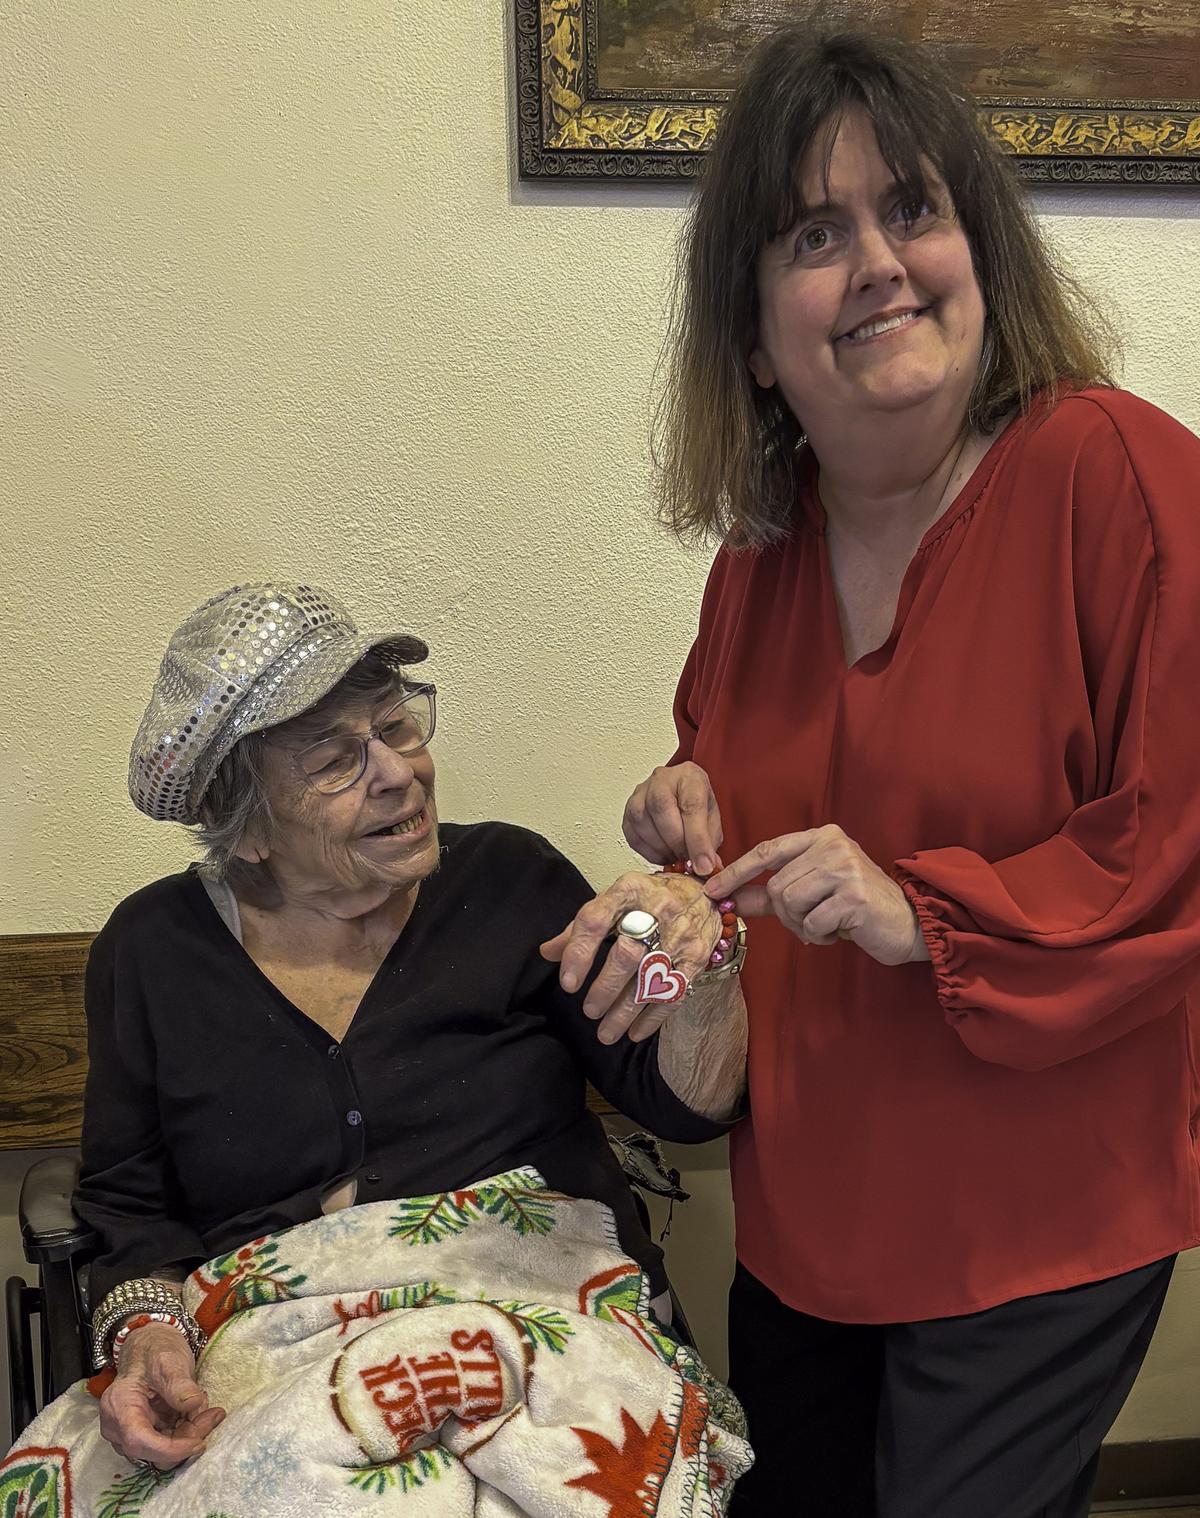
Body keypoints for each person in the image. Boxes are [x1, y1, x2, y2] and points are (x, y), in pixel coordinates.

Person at [618, 26, 1200, 1518]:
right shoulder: (758, 556)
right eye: (818, 234)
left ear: (980, 252)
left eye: (915, 211)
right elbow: (745, 800)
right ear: (752, 333)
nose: (880, 261)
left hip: (1038, 1209)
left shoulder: (1118, 477)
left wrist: (917, 908)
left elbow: (1172, 843)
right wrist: (686, 818)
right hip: (808, 1214)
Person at [5, 581, 750, 1514]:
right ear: (247, 827)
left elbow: (687, 1109)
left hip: (541, 1321)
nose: (399, 772)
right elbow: (127, 1200)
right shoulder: (153, 950)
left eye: (397, 729)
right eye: (334, 760)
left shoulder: (510, 881)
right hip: (278, 1353)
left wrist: (706, 953)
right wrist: (147, 1338)